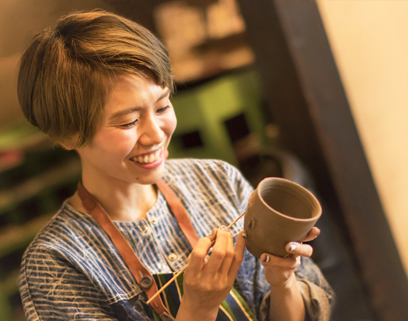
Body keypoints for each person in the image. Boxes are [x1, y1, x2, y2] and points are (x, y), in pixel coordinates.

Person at [17, 9, 334, 321]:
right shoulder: (56, 262)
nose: (155, 134)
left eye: (163, 106)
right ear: (67, 134)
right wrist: (198, 309)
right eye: (128, 122)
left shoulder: (216, 179)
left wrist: (283, 282)